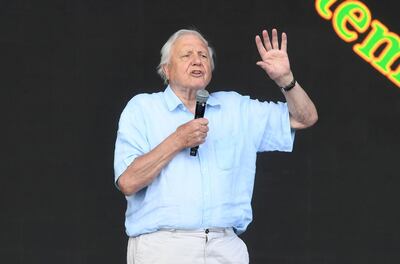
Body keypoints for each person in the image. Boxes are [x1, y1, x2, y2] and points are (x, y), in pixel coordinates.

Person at [114, 28, 318, 264]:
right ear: (166, 70)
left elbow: (305, 118)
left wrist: (285, 80)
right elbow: (128, 182)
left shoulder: (236, 108)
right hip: (165, 246)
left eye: (203, 55)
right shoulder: (143, 109)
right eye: (186, 55)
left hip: (225, 246)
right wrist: (177, 140)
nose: (197, 60)